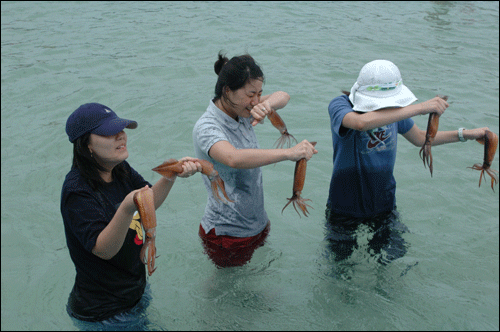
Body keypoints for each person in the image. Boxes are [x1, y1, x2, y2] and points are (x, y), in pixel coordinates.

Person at [326, 60, 490, 264]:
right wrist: (420, 108)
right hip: (344, 206)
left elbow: (421, 138)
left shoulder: (395, 112)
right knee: (340, 266)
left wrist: (465, 134)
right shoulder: (340, 105)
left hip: (383, 204)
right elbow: (360, 123)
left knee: (391, 261)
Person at [61, 103, 201, 328]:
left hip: (132, 291)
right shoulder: (77, 191)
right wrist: (127, 207)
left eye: (121, 129)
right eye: (109, 132)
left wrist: (171, 175)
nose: (121, 136)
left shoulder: (119, 168)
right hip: (104, 313)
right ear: (86, 145)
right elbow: (103, 249)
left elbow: (148, 201)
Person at [193, 52, 318, 268]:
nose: (256, 101)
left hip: (256, 222)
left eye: (259, 94)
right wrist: (289, 153)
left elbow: (283, 96)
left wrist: (266, 106)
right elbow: (232, 158)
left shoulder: (243, 110)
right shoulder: (207, 127)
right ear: (227, 90)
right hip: (226, 232)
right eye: (251, 94)